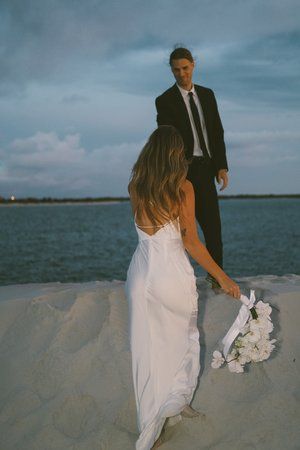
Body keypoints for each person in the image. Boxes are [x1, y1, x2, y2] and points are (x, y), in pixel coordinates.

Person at [125, 126, 240, 449]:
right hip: (168, 273)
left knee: (147, 350)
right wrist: (222, 277)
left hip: (138, 275)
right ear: (176, 155)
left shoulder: (135, 185)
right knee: (183, 337)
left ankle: (152, 421)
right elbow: (190, 242)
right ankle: (176, 403)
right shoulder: (182, 188)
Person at [155, 47, 228, 286]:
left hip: (206, 168)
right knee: (180, 231)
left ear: (193, 65)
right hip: (181, 172)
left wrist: (221, 166)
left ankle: (217, 278)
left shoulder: (207, 95)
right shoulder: (164, 101)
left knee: (213, 228)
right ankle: (177, 279)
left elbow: (216, 132)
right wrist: (173, 173)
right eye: (176, 70)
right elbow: (166, 139)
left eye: (185, 68)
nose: (181, 74)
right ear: (171, 70)